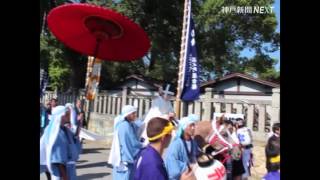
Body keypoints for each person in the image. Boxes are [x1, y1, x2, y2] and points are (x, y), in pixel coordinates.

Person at [40, 105, 80, 180]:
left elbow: (74, 140)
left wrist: (78, 125)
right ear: (61, 116)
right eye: (67, 114)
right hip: (62, 173)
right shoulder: (56, 133)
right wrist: (65, 177)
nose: (69, 116)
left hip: (69, 170)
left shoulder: (65, 130)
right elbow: (58, 160)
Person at [108, 105, 143, 180]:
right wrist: (142, 145)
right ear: (128, 115)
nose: (135, 115)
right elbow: (132, 143)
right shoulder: (125, 126)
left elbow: (139, 124)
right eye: (133, 113)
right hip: (125, 159)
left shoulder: (127, 124)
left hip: (123, 158)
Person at [164, 114, 200, 180]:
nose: (193, 128)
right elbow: (171, 163)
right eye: (191, 125)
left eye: (194, 125)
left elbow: (197, 156)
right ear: (184, 127)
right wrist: (188, 167)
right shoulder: (176, 144)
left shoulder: (194, 143)